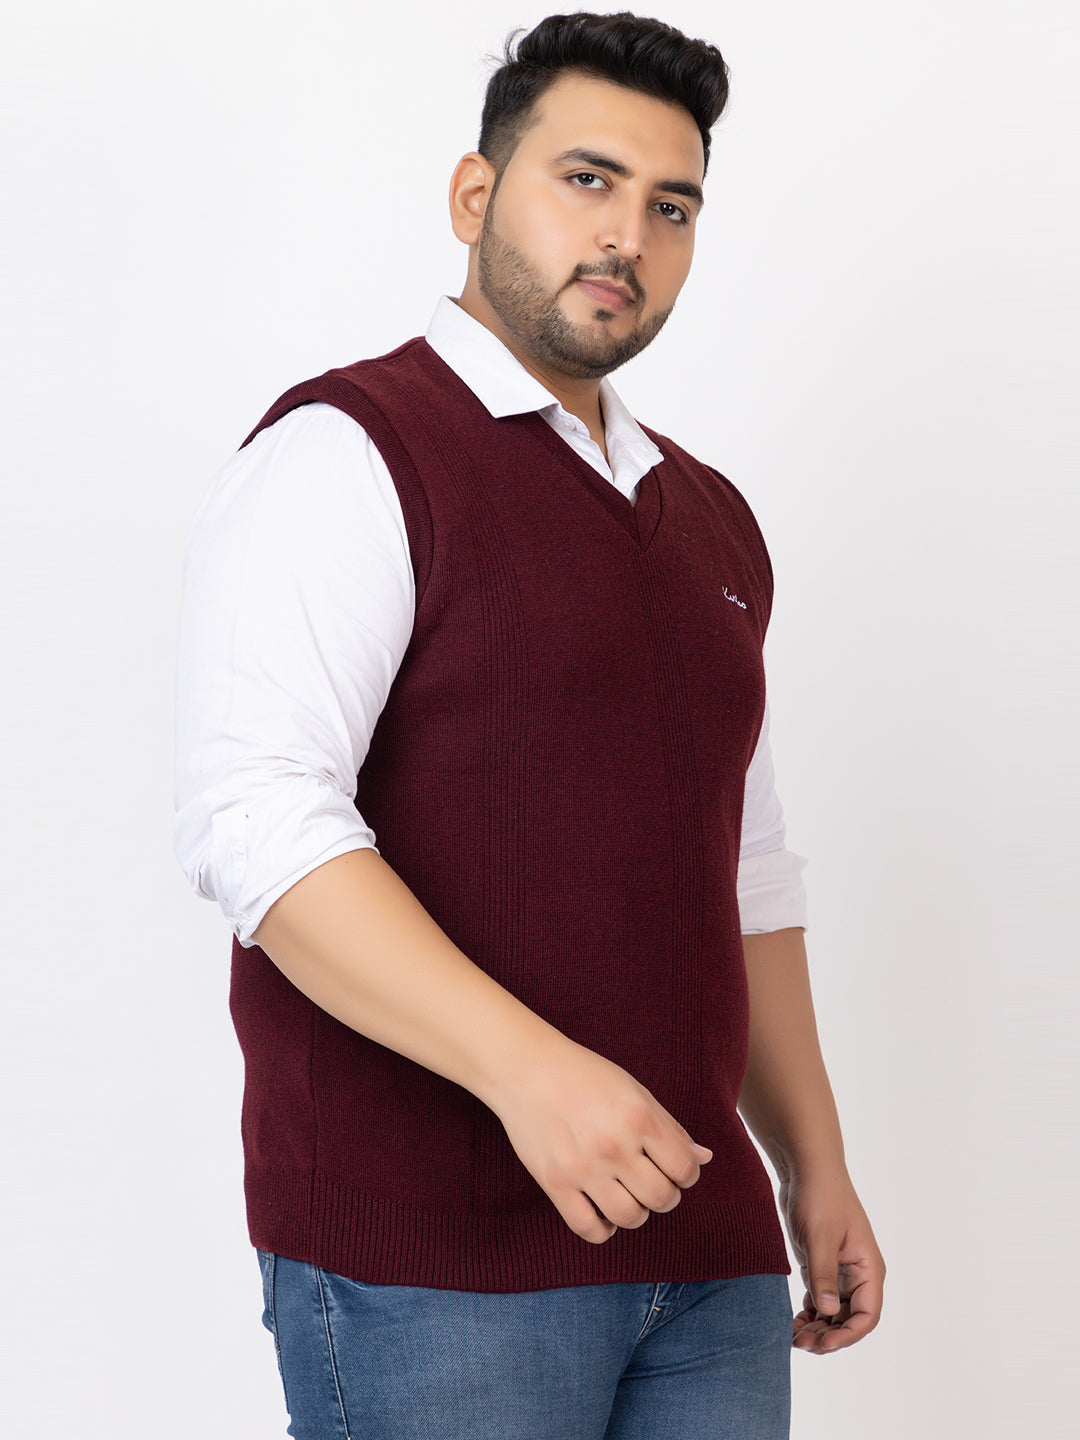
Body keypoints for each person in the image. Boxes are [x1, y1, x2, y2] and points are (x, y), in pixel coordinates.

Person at [174, 12, 885, 1437]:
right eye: (587, 179)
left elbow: (745, 868)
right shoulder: (349, 452)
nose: (627, 233)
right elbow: (258, 825)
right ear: (475, 195)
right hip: (433, 1262)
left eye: (671, 205)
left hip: (705, 1247)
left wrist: (812, 1164)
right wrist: (533, 1078)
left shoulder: (709, 517)